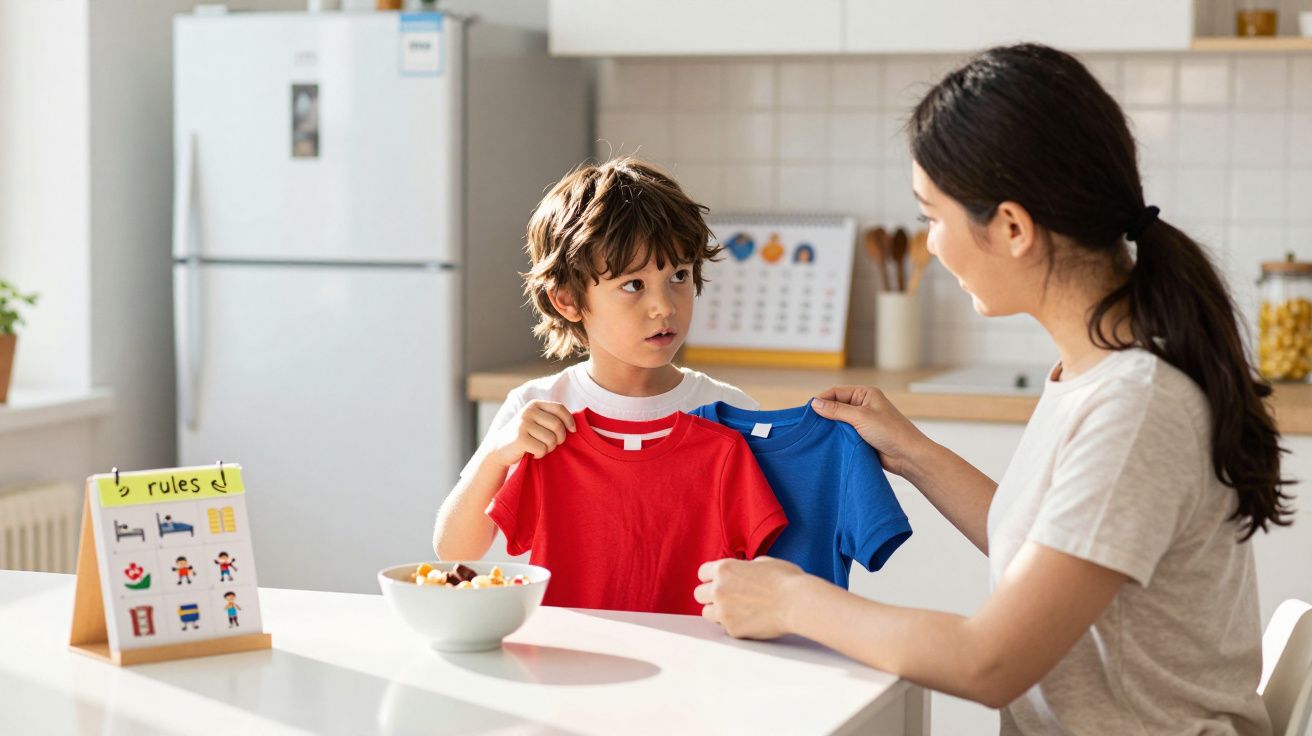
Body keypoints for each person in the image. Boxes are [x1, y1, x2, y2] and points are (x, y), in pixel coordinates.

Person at [695, 44, 1292, 735]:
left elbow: (990, 663)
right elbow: (1043, 542)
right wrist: (912, 452)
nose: (933, 247)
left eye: (932, 218)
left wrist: (792, 600)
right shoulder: (1095, 373)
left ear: (1012, 227)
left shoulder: (1136, 408)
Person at [434, 157, 758, 561]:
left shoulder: (733, 414)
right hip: (570, 627)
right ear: (568, 300)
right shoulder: (538, 407)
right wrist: (500, 455)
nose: (663, 306)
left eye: (679, 276)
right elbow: (453, 550)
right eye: (634, 284)